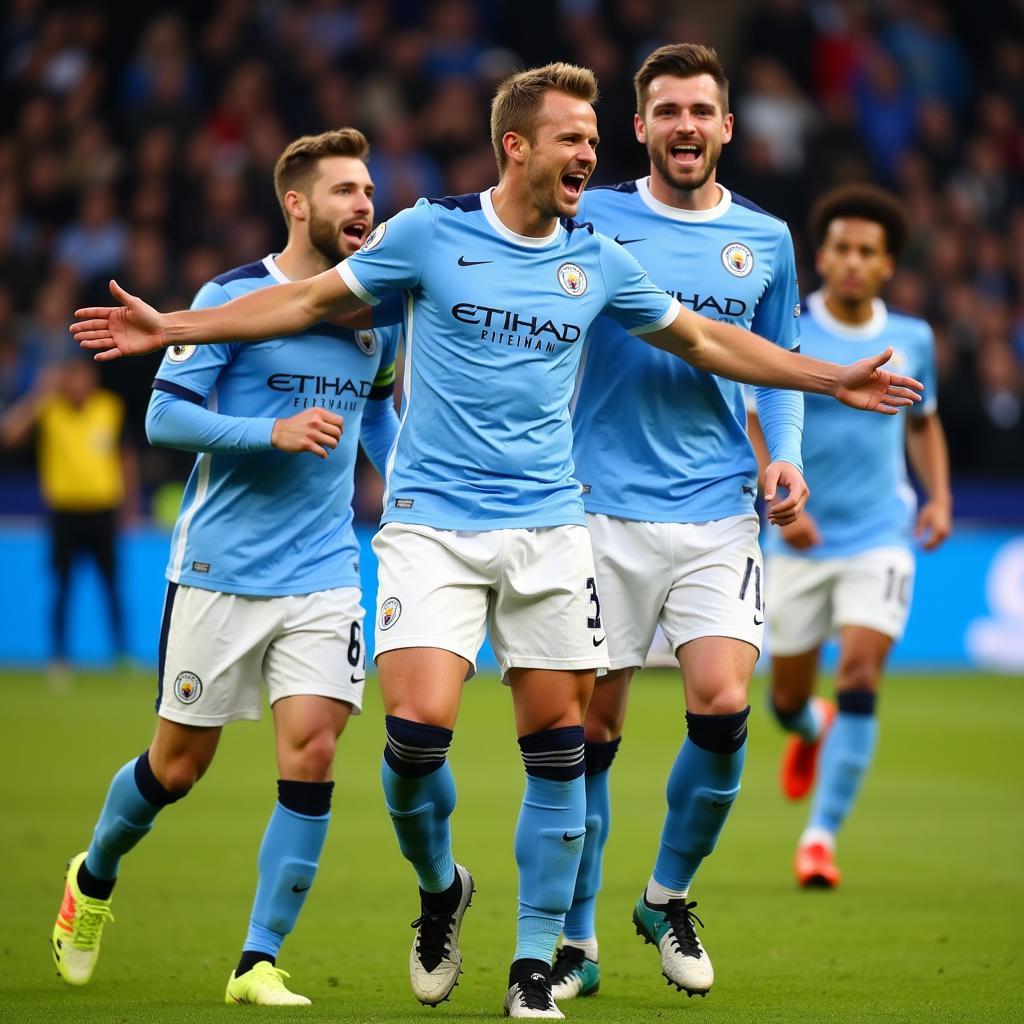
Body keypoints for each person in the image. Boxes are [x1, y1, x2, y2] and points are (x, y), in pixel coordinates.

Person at [70, 64, 922, 1019]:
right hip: (433, 528)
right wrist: (175, 325)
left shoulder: (596, 259)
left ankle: (532, 968)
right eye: (573, 138)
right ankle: (442, 892)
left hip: (554, 526)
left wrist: (824, 379)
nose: (590, 154)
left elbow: (707, 342)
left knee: (558, 748)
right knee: (414, 741)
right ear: (516, 146)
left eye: (595, 139)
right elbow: (308, 302)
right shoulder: (429, 234)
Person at [51, 128, 402, 1006]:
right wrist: (269, 432)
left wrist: (399, 480)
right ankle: (92, 879)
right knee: (177, 768)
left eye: (368, 190)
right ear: (297, 204)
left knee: (314, 753)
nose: (364, 205)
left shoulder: (377, 315)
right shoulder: (231, 298)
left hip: (323, 572)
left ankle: (258, 960)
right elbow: (164, 421)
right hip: (219, 569)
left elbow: (382, 411)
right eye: (344, 192)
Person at [553, 43, 807, 1002]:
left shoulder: (767, 239)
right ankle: (576, 940)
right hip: (596, 507)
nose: (686, 127)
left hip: (715, 508)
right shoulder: (593, 215)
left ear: (728, 126)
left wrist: (781, 454)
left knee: (723, 707)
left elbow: (779, 361)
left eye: (702, 111)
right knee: (591, 731)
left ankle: (667, 895)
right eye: (668, 112)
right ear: (641, 126)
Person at [748, 183, 951, 889]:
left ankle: (819, 838)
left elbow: (924, 424)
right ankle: (811, 726)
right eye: (842, 248)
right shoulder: (792, 329)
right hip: (798, 538)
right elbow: (757, 412)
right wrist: (783, 496)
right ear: (822, 256)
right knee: (783, 703)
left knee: (863, 673)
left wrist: (940, 499)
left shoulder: (914, 339)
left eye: (869, 251)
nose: (854, 262)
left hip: (879, 535)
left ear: (888, 264)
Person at [1, 356, 138, 675]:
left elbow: (125, 457)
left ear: (93, 379)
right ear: (64, 380)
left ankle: (121, 655)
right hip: (65, 512)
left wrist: (129, 507)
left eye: (84, 377)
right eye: (72, 378)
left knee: (112, 586)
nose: (79, 385)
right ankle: (59, 658)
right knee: (62, 586)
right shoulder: (49, 408)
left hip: (103, 511)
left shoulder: (109, 407)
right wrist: (38, 393)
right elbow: (10, 435)